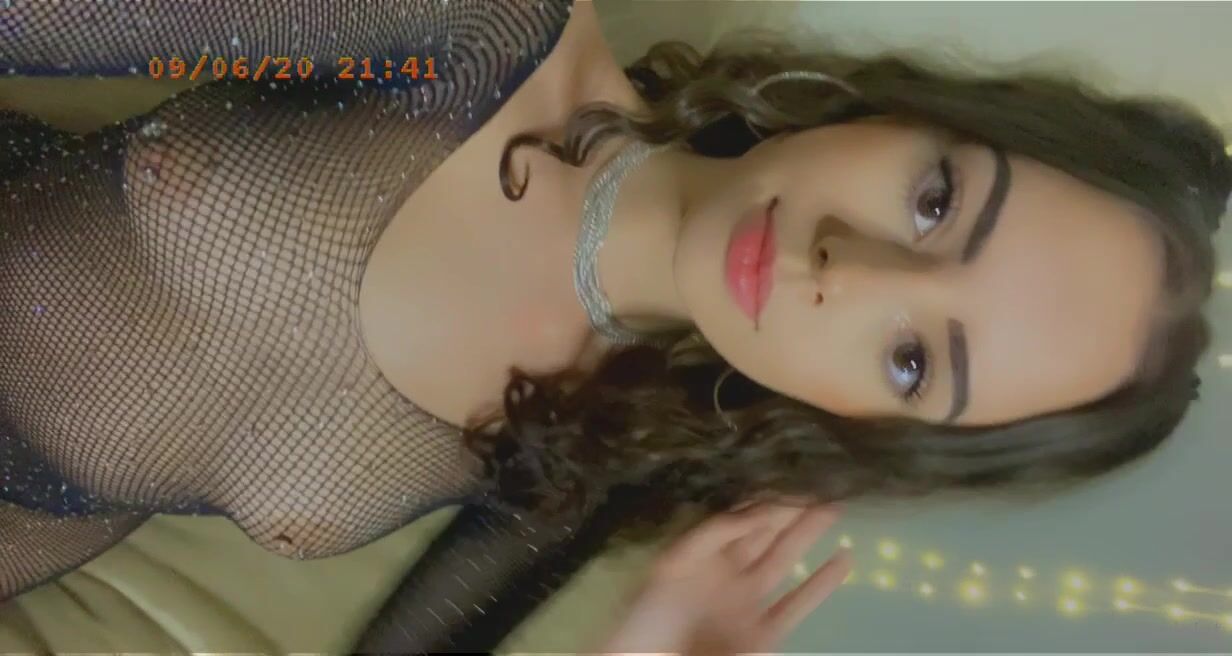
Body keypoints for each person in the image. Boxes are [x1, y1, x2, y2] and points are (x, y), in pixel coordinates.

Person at [0, 0, 1227, 652]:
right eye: (934, 200)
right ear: (912, 112)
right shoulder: (477, 29)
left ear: (863, 422)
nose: (843, 272)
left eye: (911, 358)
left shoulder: (594, 452)